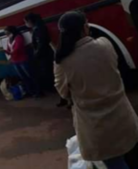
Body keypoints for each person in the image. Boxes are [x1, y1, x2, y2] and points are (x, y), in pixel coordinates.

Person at [54, 11, 138, 169]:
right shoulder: (105, 44)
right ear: (84, 27)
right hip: (124, 117)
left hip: (96, 128)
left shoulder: (62, 62)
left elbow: (63, 93)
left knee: (115, 163)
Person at [24, 13, 68, 106]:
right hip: (46, 55)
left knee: (55, 77)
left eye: (26, 21)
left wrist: (36, 54)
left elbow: (41, 43)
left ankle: (65, 98)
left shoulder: (39, 29)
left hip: (46, 56)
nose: (25, 24)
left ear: (31, 21)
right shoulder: (38, 28)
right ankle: (63, 98)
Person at [4, 26, 40, 97]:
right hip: (15, 61)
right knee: (23, 77)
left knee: (30, 75)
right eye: (6, 33)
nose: (6, 35)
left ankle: (38, 91)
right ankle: (31, 91)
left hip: (22, 59)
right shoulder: (9, 40)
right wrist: (8, 53)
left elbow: (18, 48)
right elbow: (9, 49)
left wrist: (10, 53)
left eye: (7, 33)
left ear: (12, 32)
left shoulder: (18, 37)